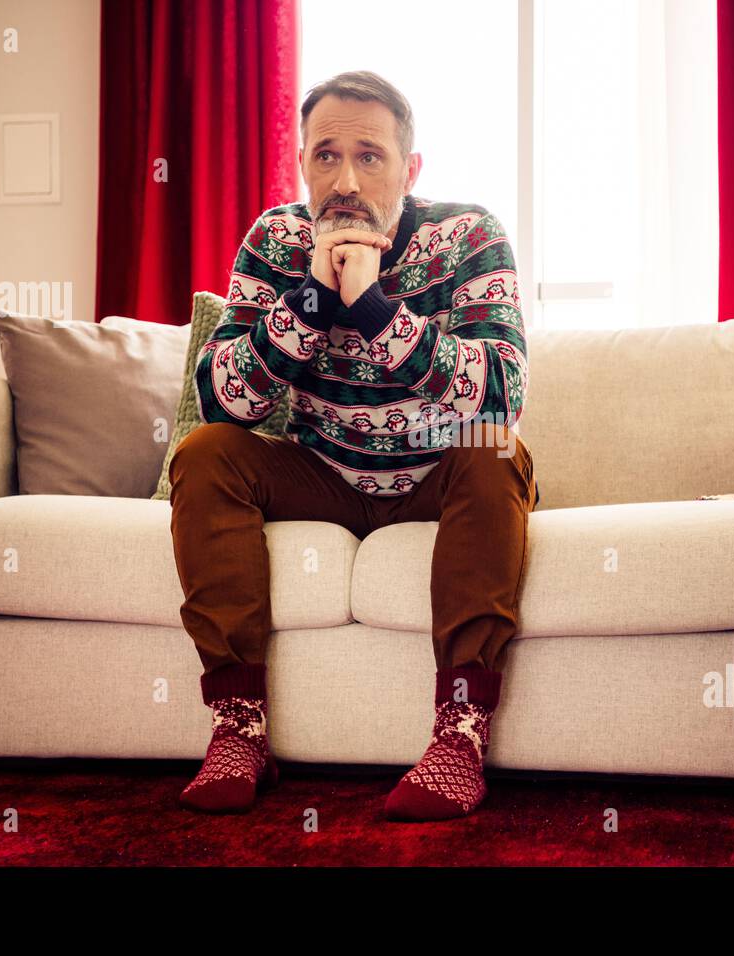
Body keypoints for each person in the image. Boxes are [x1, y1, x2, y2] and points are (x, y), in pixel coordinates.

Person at [168, 70, 538, 820]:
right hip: (320, 474)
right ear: (301, 163)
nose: (345, 179)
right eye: (325, 156)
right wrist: (308, 298)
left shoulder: (468, 236)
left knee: (494, 448)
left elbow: (502, 394)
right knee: (205, 453)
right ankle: (239, 731)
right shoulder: (275, 242)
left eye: (369, 156)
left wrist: (373, 310)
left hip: (439, 473)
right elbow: (225, 400)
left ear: (410, 169)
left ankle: (459, 739)